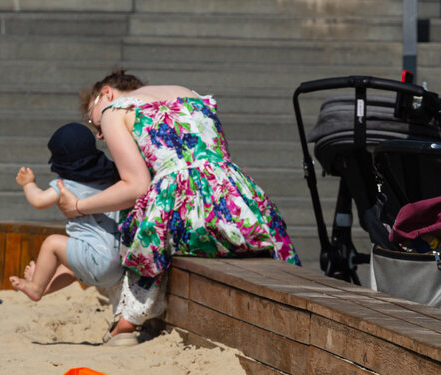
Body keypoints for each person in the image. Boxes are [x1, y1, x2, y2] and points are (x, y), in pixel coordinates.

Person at [57, 70, 300, 344]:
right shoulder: (190, 93)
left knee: (140, 222)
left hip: (185, 210)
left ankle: (127, 322)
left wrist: (78, 206)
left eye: (93, 119)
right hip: (237, 203)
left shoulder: (115, 110)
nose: (99, 133)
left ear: (107, 94)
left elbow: (135, 186)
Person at [10, 124, 127, 336]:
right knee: (72, 268)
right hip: (117, 264)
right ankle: (41, 286)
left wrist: (28, 184)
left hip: (96, 257)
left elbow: (38, 201)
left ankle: (36, 287)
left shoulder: (66, 184)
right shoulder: (111, 177)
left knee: (52, 243)